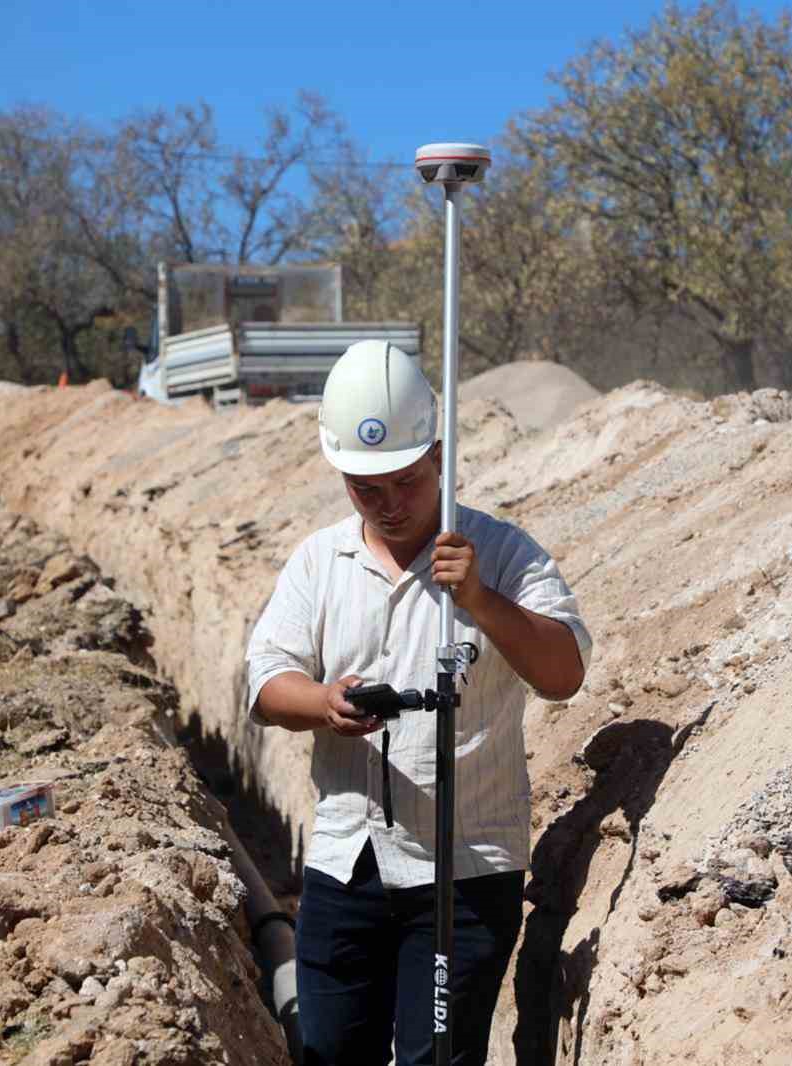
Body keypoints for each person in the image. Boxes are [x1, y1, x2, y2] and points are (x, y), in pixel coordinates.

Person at [245, 341, 592, 1065]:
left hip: (464, 872)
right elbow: (266, 680)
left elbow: (563, 673)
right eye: (367, 489)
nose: (390, 505)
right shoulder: (319, 562)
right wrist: (322, 702)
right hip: (348, 864)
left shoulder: (500, 553)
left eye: (405, 481)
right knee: (331, 1051)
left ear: (439, 454)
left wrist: (479, 600)